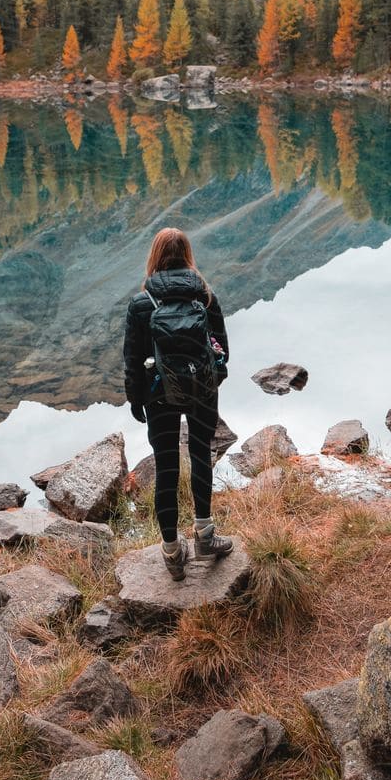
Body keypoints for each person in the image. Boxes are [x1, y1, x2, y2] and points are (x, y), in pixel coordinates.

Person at [123, 227, 234, 580]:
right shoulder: (205, 297)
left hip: (158, 393)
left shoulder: (142, 304)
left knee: (167, 468)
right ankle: (205, 537)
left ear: (154, 257)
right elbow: (222, 352)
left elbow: (132, 360)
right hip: (202, 390)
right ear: (187, 256)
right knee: (201, 455)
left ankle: (172, 553)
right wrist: (212, 381)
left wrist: (135, 400)